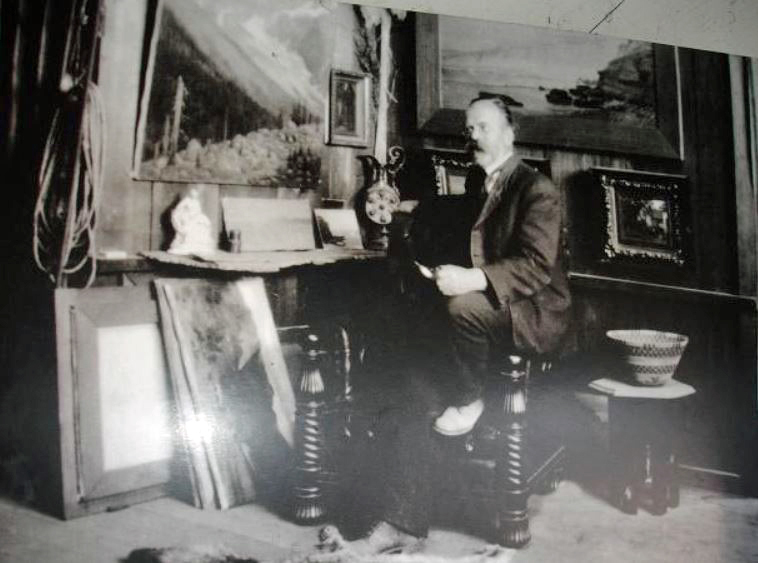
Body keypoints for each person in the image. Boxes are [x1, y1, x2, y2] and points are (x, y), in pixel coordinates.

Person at [330, 94, 571, 555]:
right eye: (469, 128)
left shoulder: (536, 189)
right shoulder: (480, 181)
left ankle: (469, 397)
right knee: (414, 372)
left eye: (482, 127)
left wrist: (470, 280)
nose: (472, 136)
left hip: (532, 310)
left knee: (460, 312)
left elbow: (537, 266)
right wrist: (435, 263)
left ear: (509, 133)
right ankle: (401, 520)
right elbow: (469, 239)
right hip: (485, 307)